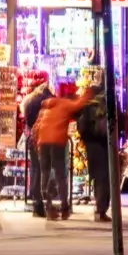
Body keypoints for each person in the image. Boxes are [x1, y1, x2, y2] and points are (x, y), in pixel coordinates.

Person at [34, 83, 93, 220]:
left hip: (43, 143)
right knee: (61, 175)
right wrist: (89, 93)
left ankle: (48, 207)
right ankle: (65, 207)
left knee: (45, 173)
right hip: (57, 143)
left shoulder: (46, 107)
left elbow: (37, 126)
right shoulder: (64, 104)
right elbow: (79, 104)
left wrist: (37, 143)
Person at [73, 80, 115, 222]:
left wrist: (86, 140)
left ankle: (99, 208)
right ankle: (102, 209)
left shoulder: (88, 106)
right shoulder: (109, 103)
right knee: (106, 177)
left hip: (92, 146)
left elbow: (81, 126)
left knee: (97, 177)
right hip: (106, 145)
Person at [21, 75, 54, 218]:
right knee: (46, 170)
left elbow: (26, 118)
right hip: (46, 139)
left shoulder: (29, 100)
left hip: (33, 138)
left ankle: (37, 203)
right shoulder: (50, 101)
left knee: (35, 169)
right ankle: (46, 202)